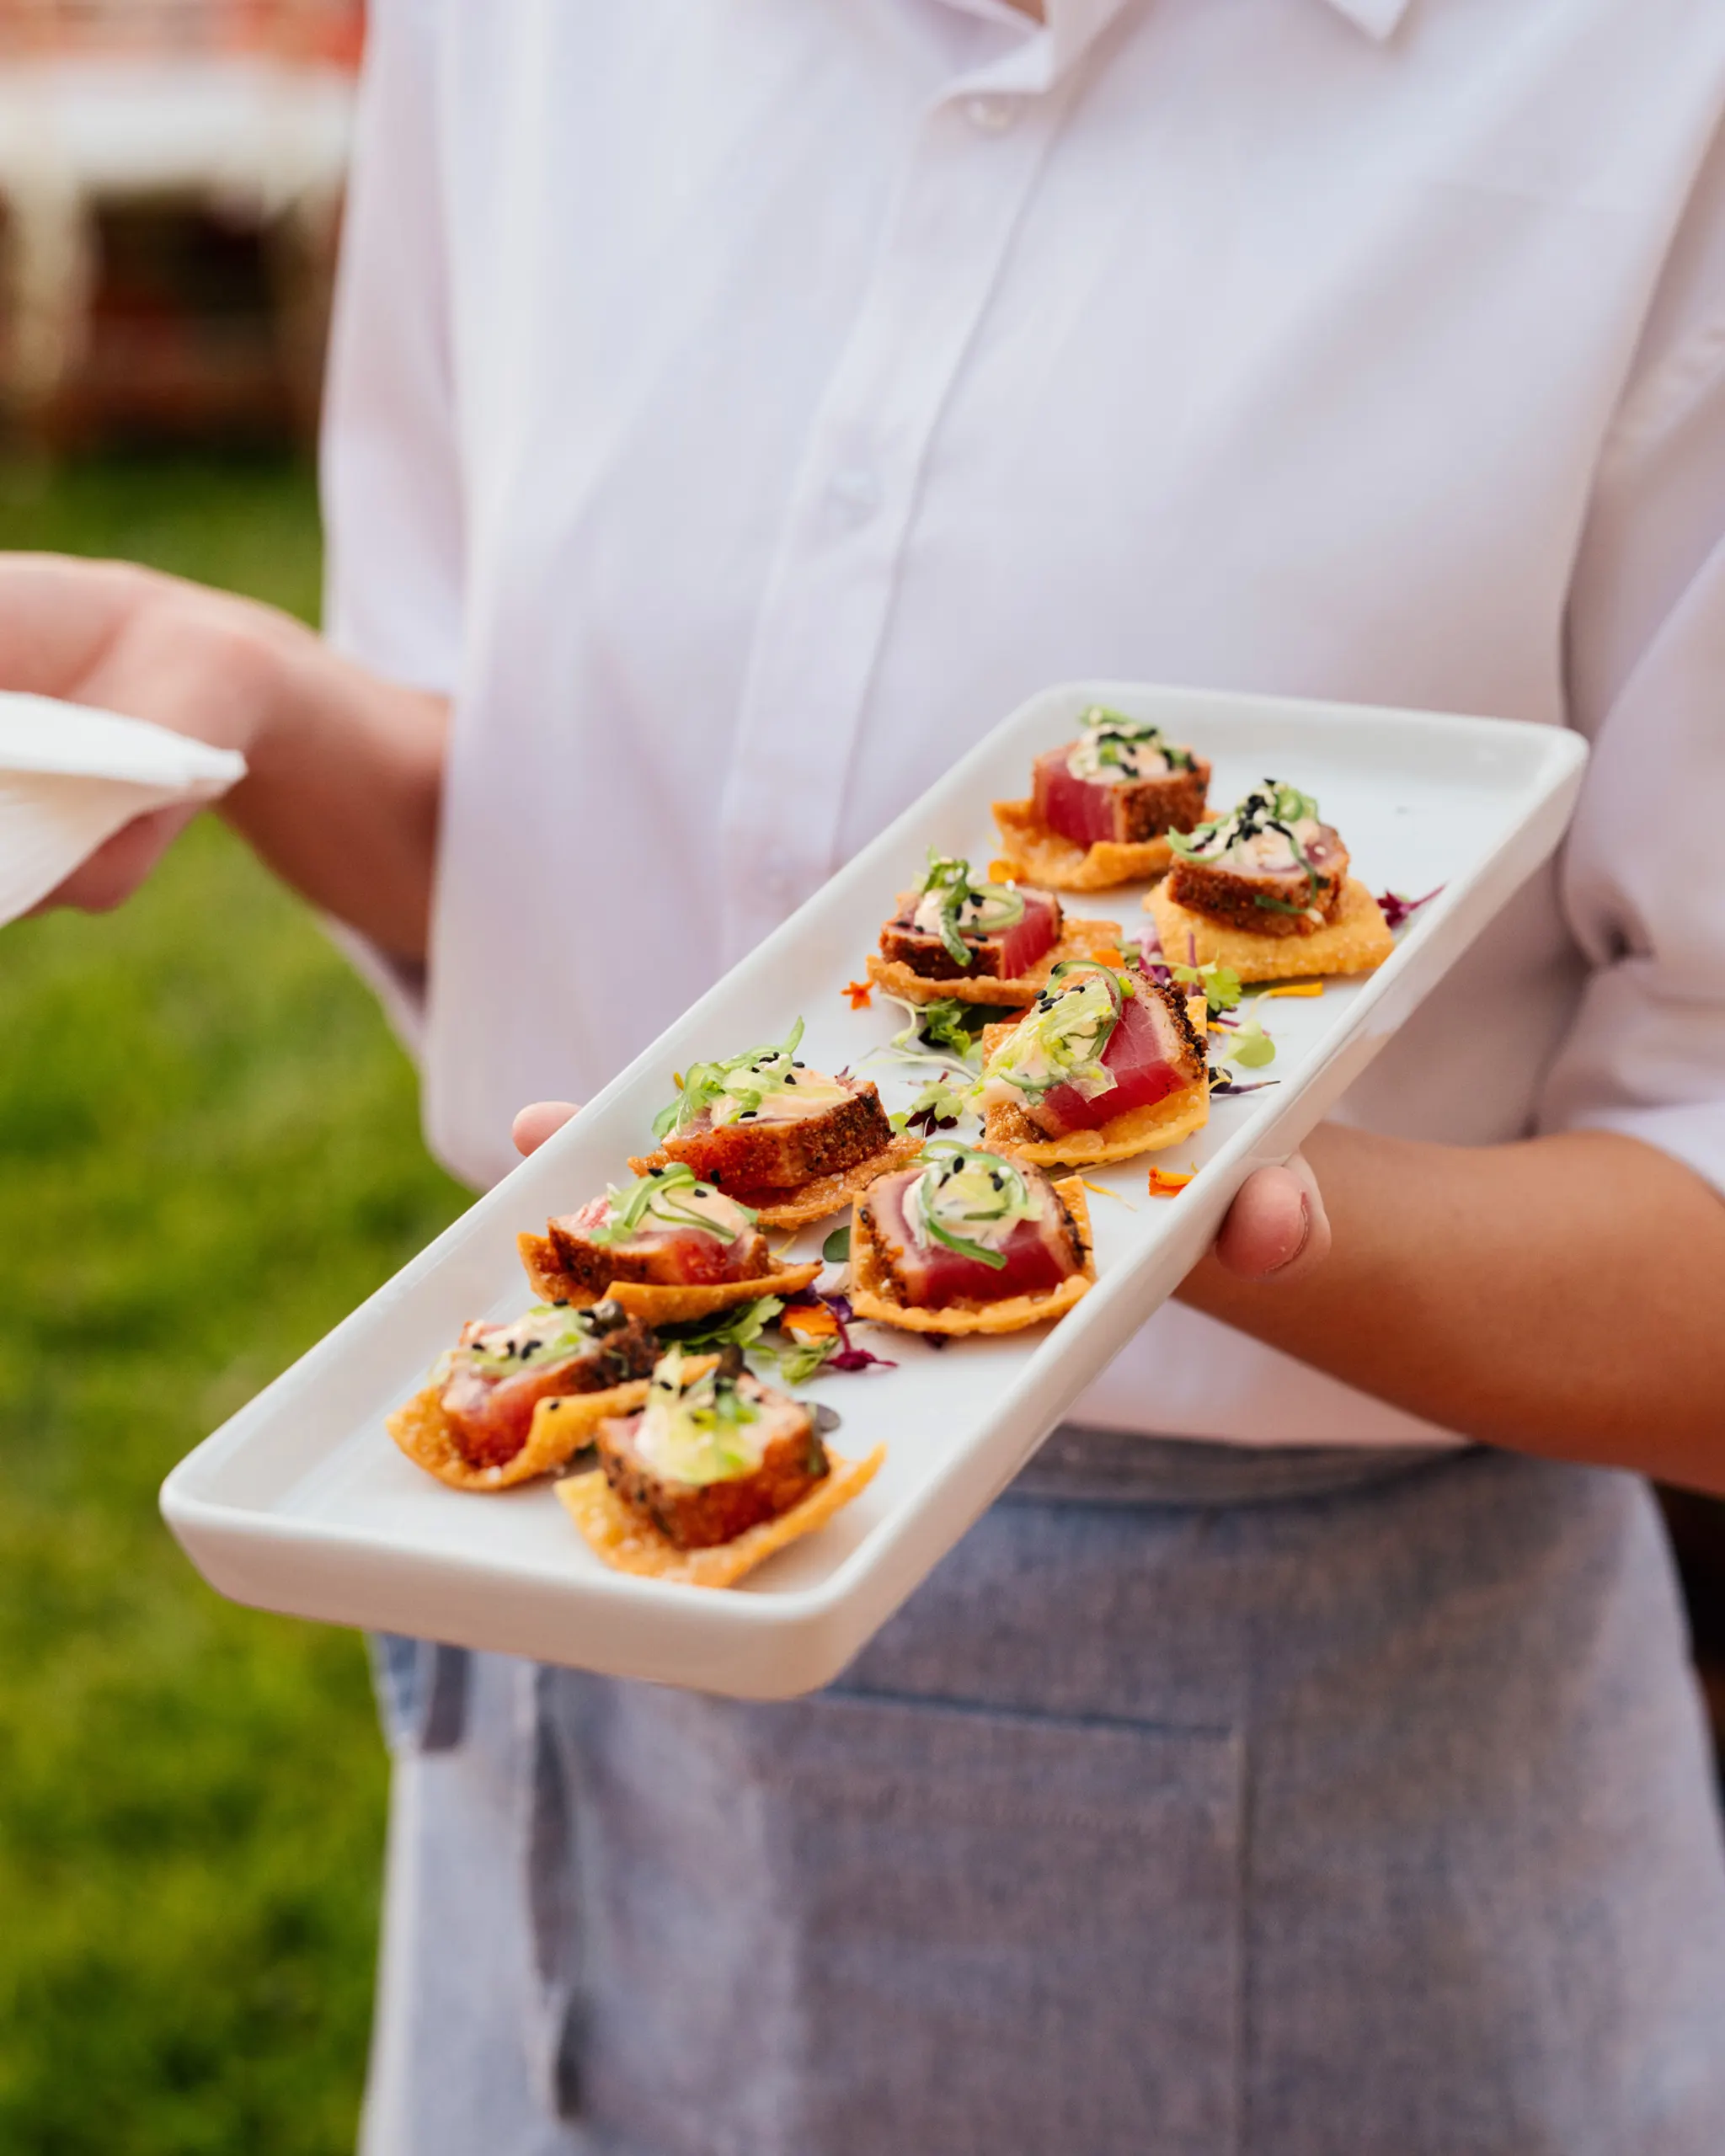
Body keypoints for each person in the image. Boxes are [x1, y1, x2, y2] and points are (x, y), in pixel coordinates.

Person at [16, 1, 1725, 2148]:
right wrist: (259, 696)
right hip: (561, 1711)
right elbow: (572, 849)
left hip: (1303, 1843)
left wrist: (1180, 1201)